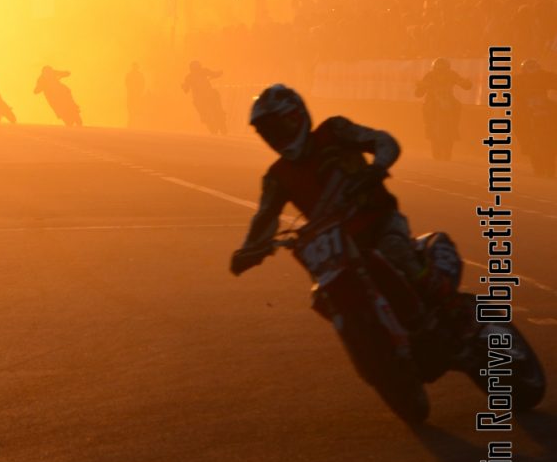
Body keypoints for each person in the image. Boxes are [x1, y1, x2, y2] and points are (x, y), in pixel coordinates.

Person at [229, 84, 425, 291]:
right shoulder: (276, 177)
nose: (274, 136)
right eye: (267, 132)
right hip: (335, 249)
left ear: (296, 117)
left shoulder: (334, 131)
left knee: (396, 252)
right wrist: (248, 250)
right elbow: (265, 217)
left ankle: (442, 298)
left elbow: (383, 141)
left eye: (277, 127)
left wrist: (376, 168)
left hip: (378, 221)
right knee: (325, 292)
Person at [415, 57, 472, 159]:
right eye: (439, 69)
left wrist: (466, 83)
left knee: (458, 105)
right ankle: (428, 125)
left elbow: (463, 83)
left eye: (443, 69)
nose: (441, 72)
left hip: (448, 99)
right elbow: (419, 92)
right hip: (432, 99)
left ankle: (454, 125)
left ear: (447, 68)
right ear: (434, 69)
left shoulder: (452, 74)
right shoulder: (430, 75)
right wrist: (420, 87)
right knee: (427, 107)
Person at [181, 60, 227, 135]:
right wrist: (184, 87)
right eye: (195, 69)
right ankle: (204, 116)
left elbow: (214, 74)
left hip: (208, 95)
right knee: (200, 107)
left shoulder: (201, 72)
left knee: (216, 97)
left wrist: (219, 73)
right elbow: (186, 89)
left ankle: (219, 114)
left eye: (197, 69)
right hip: (200, 98)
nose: (197, 71)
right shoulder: (190, 77)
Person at [125, 62, 146, 128]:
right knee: (131, 107)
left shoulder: (134, 75)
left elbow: (142, 84)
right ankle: (132, 120)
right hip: (133, 93)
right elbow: (127, 84)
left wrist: (139, 91)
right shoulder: (131, 75)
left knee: (134, 107)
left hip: (135, 94)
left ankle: (134, 121)